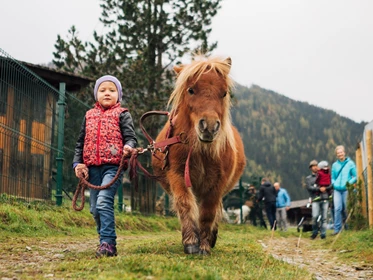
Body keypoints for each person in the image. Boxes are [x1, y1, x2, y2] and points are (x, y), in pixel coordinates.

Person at [73, 75, 138, 257]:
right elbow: (80, 142)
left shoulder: (122, 114)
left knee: (103, 202)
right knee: (94, 209)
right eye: (102, 90)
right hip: (92, 168)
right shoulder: (89, 116)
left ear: (119, 95)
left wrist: (129, 147)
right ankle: (103, 240)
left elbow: (131, 137)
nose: (107, 93)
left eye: (112, 90)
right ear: (96, 95)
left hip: (113, 167)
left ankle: (108, 244)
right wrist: (77, 163)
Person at [331, 145, 357, 235]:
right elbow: (333, 177)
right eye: (338, 153)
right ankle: (337, 229)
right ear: (336, 155)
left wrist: (349, 183)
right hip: (337, 190)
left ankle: (348, 227)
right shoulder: (334, 165)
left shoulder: (350, 164)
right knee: (337, 208)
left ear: (344, 153)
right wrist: (334, 184)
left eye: (341, 152)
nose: (340, 154)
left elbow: (356, 176)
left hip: (346, 189)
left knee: (346, 208)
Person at [306, 160, 329, 239]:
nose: (315, 167)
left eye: (316, 165)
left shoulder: (325, 175)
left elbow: (330, 185)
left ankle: (323, 234)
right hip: (315, 199)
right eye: (313, 166)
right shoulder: (308, 178)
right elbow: (309, 188)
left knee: (324, 217)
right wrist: (319, 189)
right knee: (315, 216)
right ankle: (315, 232)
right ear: (311, 168)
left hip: (325, 197)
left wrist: (325, 188)